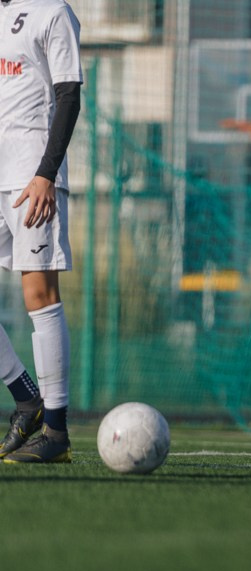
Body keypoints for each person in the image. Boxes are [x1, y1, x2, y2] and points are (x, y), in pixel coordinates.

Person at [0, 0, 82, 464]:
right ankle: (25, 397)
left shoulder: (54, 12)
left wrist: (46, 174)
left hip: (34, 178)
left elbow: (68, 95)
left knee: (39, 295)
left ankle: (55, 430)